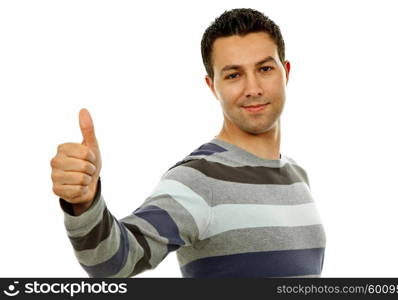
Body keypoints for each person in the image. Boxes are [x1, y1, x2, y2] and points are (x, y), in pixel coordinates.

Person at [50, 8, 326, 278]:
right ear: (212, 85)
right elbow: (113, 263)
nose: (253, 88)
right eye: (233, 75)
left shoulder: (297, 176)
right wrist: (85, 204)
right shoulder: (200, 178)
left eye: (265, 68)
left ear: (285, 72)